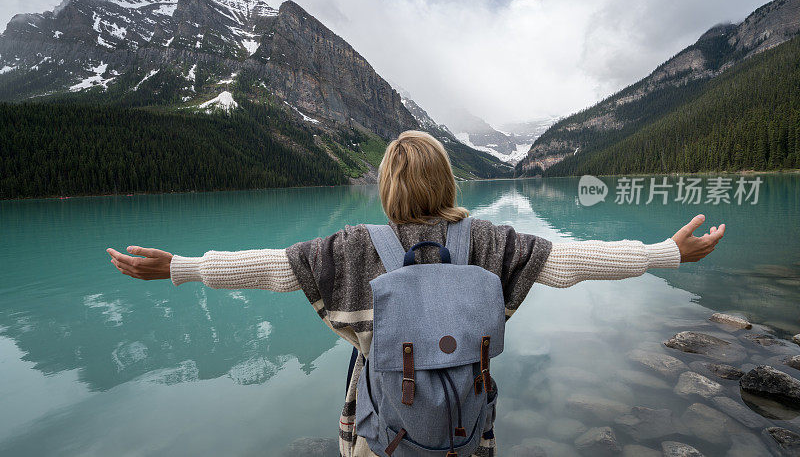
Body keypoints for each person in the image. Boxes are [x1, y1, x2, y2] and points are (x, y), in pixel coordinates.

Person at [107, 130, 725, 457]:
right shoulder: (487, 242)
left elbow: (270, 269)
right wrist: (665, 253)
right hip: (464, 430)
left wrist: (181, 268)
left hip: (381, 435)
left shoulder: (353, 250)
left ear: (385, 186)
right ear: (448, 180)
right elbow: (570, 263)